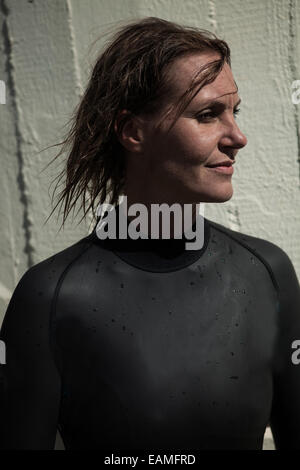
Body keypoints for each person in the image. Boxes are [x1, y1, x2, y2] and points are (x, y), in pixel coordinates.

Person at [0, 16, 300, 451]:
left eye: (235, 111)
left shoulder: (268, 274)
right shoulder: (50, 298)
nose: (238, 136)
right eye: (207, 115)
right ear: (133, 132)